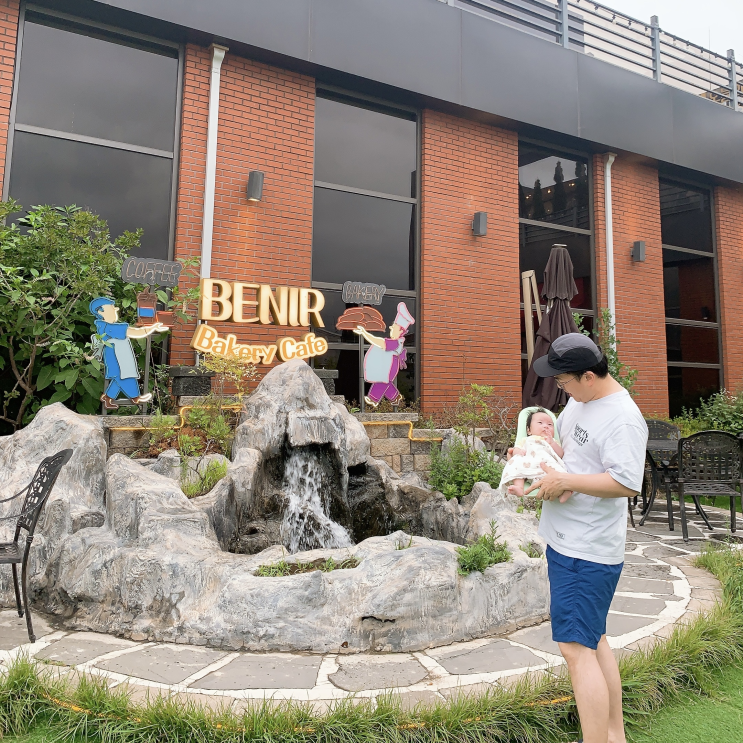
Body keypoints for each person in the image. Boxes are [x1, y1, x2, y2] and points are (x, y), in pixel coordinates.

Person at [515, 333, 647, 743]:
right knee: (594, 639)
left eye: (563, 381)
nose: (560, 389)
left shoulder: (623, 419)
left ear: (588, 376)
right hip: (566, 539)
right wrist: (533, 454)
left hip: (586, 550)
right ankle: (613, 736)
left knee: (575, 650)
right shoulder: (581, 401)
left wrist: (567, 481)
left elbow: (627, 483)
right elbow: (570, 453)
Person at [89, 297, 169, 409]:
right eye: (111, 308)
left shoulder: (105, 326)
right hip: (116, 357)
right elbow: (136, 332)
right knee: (124, 376)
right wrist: (153, 327)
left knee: (119, 378)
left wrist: (152, 327)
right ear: (100, 311)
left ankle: (107, 398)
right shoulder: (109, 327)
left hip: (119, 355)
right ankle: (135, 397)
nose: (115, 310)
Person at [353, 302, 414, 407]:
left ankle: (373, 398)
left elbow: (379, 342)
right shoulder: (396, 342)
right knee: (386, 382)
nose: (391, 328)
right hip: (388, 366)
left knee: (382, 380)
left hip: (389, 367)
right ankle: (395, 397)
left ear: (400, 331)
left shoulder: (395, 343)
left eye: (393, 327)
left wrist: (364, 333)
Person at [500, 407, 566, 497]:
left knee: (560, 472)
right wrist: (518, 452)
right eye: (540, 423)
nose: (546, 426)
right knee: (516, 462)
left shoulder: (553, 441)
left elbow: (560, 455)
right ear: (529, 430)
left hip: (547, 466)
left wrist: (552, 443)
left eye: (550, 424)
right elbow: (515, 450)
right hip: (528, 464)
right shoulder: (526, 440)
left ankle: (564, 491)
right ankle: (519, 487)